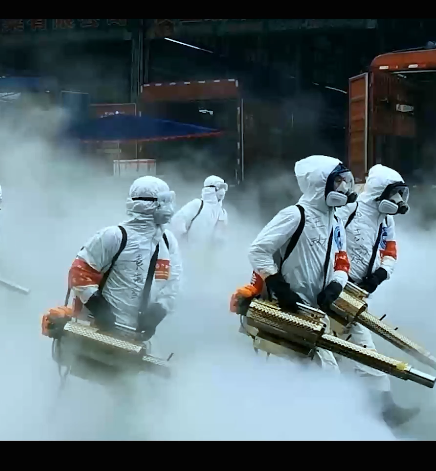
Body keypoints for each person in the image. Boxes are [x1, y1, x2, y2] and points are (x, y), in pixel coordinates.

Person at [242, 155, 355, 373]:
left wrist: (336, 285)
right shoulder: (295, 215)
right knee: (294, 374)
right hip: (287, 309)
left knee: (318, 374)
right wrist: (279, 287)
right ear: (319, 184)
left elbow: (342, 259)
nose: (343, 188)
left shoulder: (336, 221)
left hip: (315, 313)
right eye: (337, 181)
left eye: (345, 181)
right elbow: (258, 250)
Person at [335, 164, 418, 427]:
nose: (399, 200)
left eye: (401, 194)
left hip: (358, 294)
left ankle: (371, 408)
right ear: (380, 191)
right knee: (359, 350)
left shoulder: (386, 220)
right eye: (394, 194)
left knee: (347, 350)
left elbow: (390, 251)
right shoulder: (350, 209)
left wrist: (381, 273)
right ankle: (380, 410)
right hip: (334, 290)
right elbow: (326, 241)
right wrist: (337, 274)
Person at [67, 176, 182, 342]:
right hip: (94, 329)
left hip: (134, 336)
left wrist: (160, 309)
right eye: (163, 201)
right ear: (147, 204)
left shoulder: (167, 241)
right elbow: (78, 273)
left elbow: (174, 282)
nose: (169, 207)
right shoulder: (114, 236)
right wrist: (99, 308)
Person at [169, 175, 229, 250]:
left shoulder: (222, 213)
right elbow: (178, 220)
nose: (222, 191)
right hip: (188, 251)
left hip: (206, 254)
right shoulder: (198, 205)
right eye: (219, 187)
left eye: (224, 187)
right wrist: (182, 242)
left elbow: (221, 235)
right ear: (210, 189)